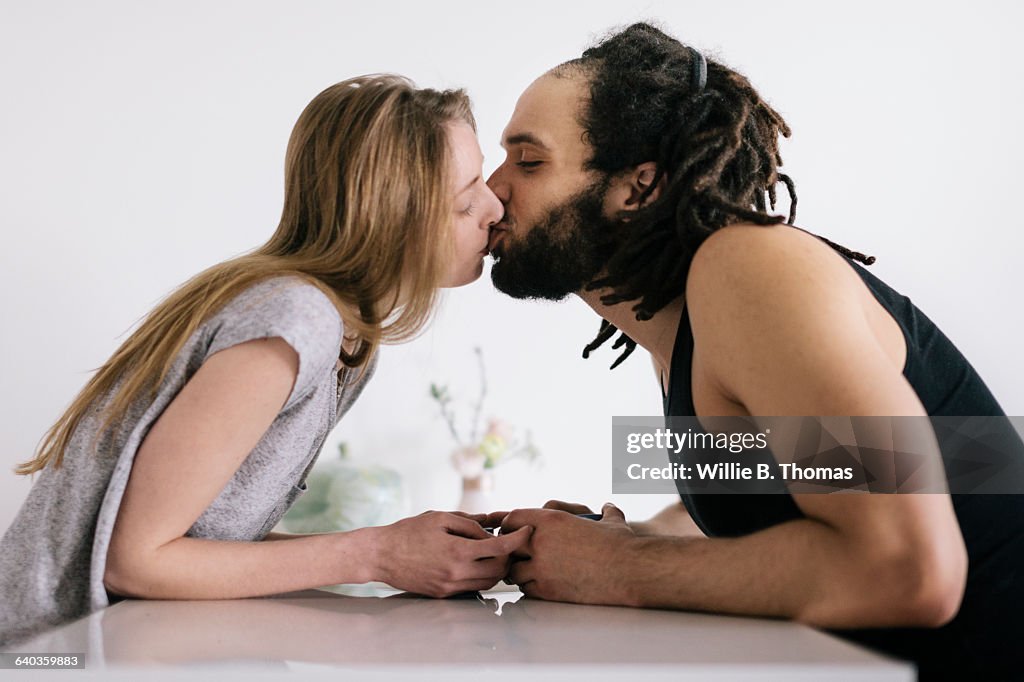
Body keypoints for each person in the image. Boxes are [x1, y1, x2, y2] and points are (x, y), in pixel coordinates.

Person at [483, 22, 1024, 681]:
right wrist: (632, 538)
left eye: (528, 161)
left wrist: (613, 568)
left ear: (640, 187)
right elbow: (792, 482)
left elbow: (910, 569)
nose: (493, 186)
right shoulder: (688, 319)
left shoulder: (749, 269)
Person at [0, 73, 530, 648]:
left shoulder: (350, 339)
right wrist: (376, 553)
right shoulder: (297, 322)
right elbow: (137, 562)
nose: (494, 206)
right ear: (390, 215)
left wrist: (401, 552)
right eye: (467, 193)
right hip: (39, 659)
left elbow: (203, 548)